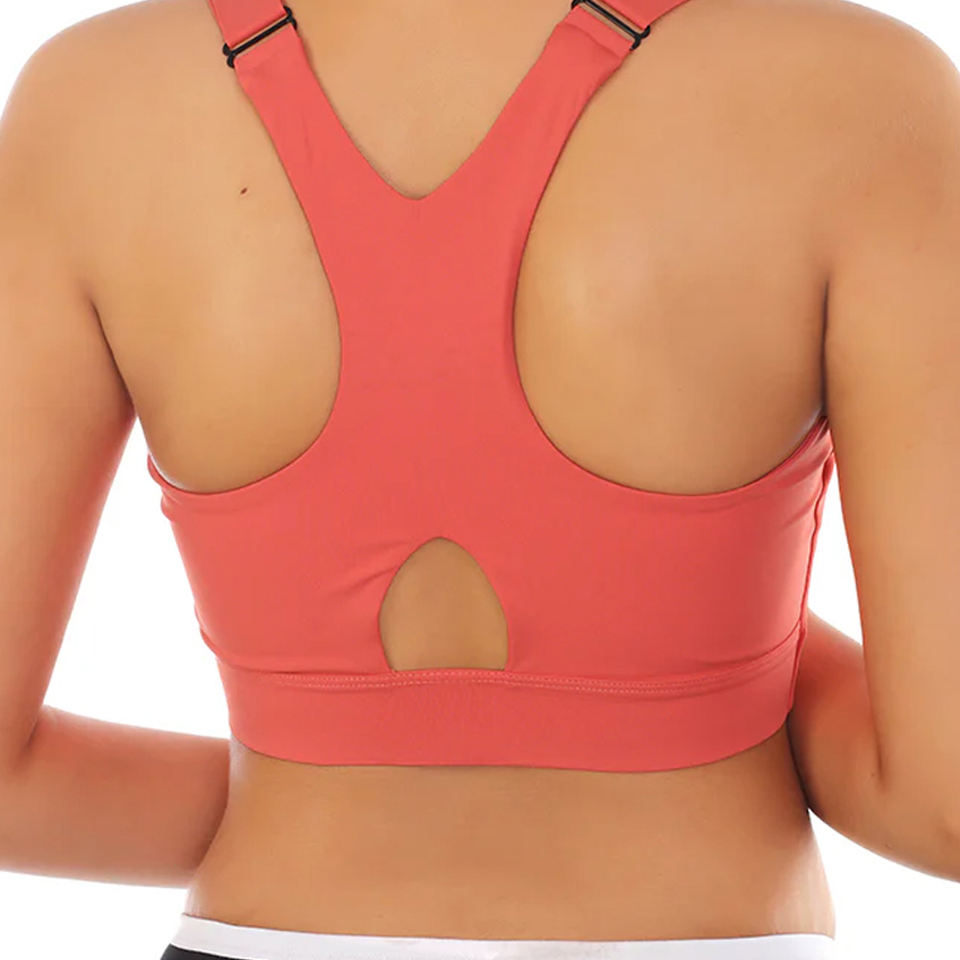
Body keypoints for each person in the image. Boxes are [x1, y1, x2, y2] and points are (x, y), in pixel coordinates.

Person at [1, 0, 958, 958]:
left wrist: (309, 789)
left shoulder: (96, 103)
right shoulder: (859, 95)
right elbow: (944, 802)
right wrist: (716, 638)